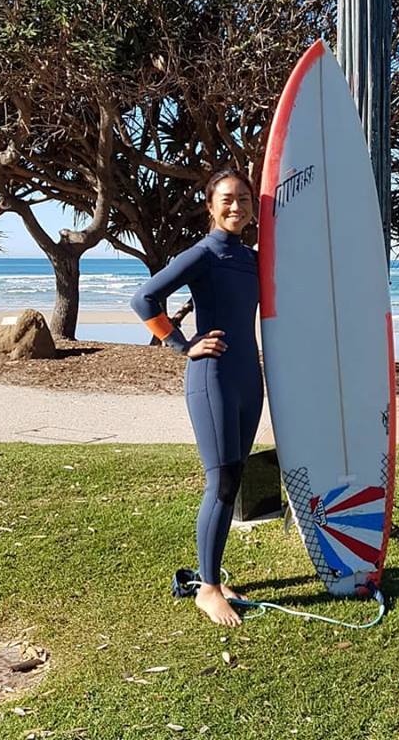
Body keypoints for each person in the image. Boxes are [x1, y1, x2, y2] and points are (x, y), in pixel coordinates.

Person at [130, 168, 262, 627]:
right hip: (214, 378)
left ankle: (214, 576)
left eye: (244, 199)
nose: (236, 207)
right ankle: (208, 589)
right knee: (221, 481)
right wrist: (182, 345)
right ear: (210, 205)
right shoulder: (204, 253)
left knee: (235, 478)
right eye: (227, 199)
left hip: (249, 378)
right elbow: (145, 299)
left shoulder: (250, 258)